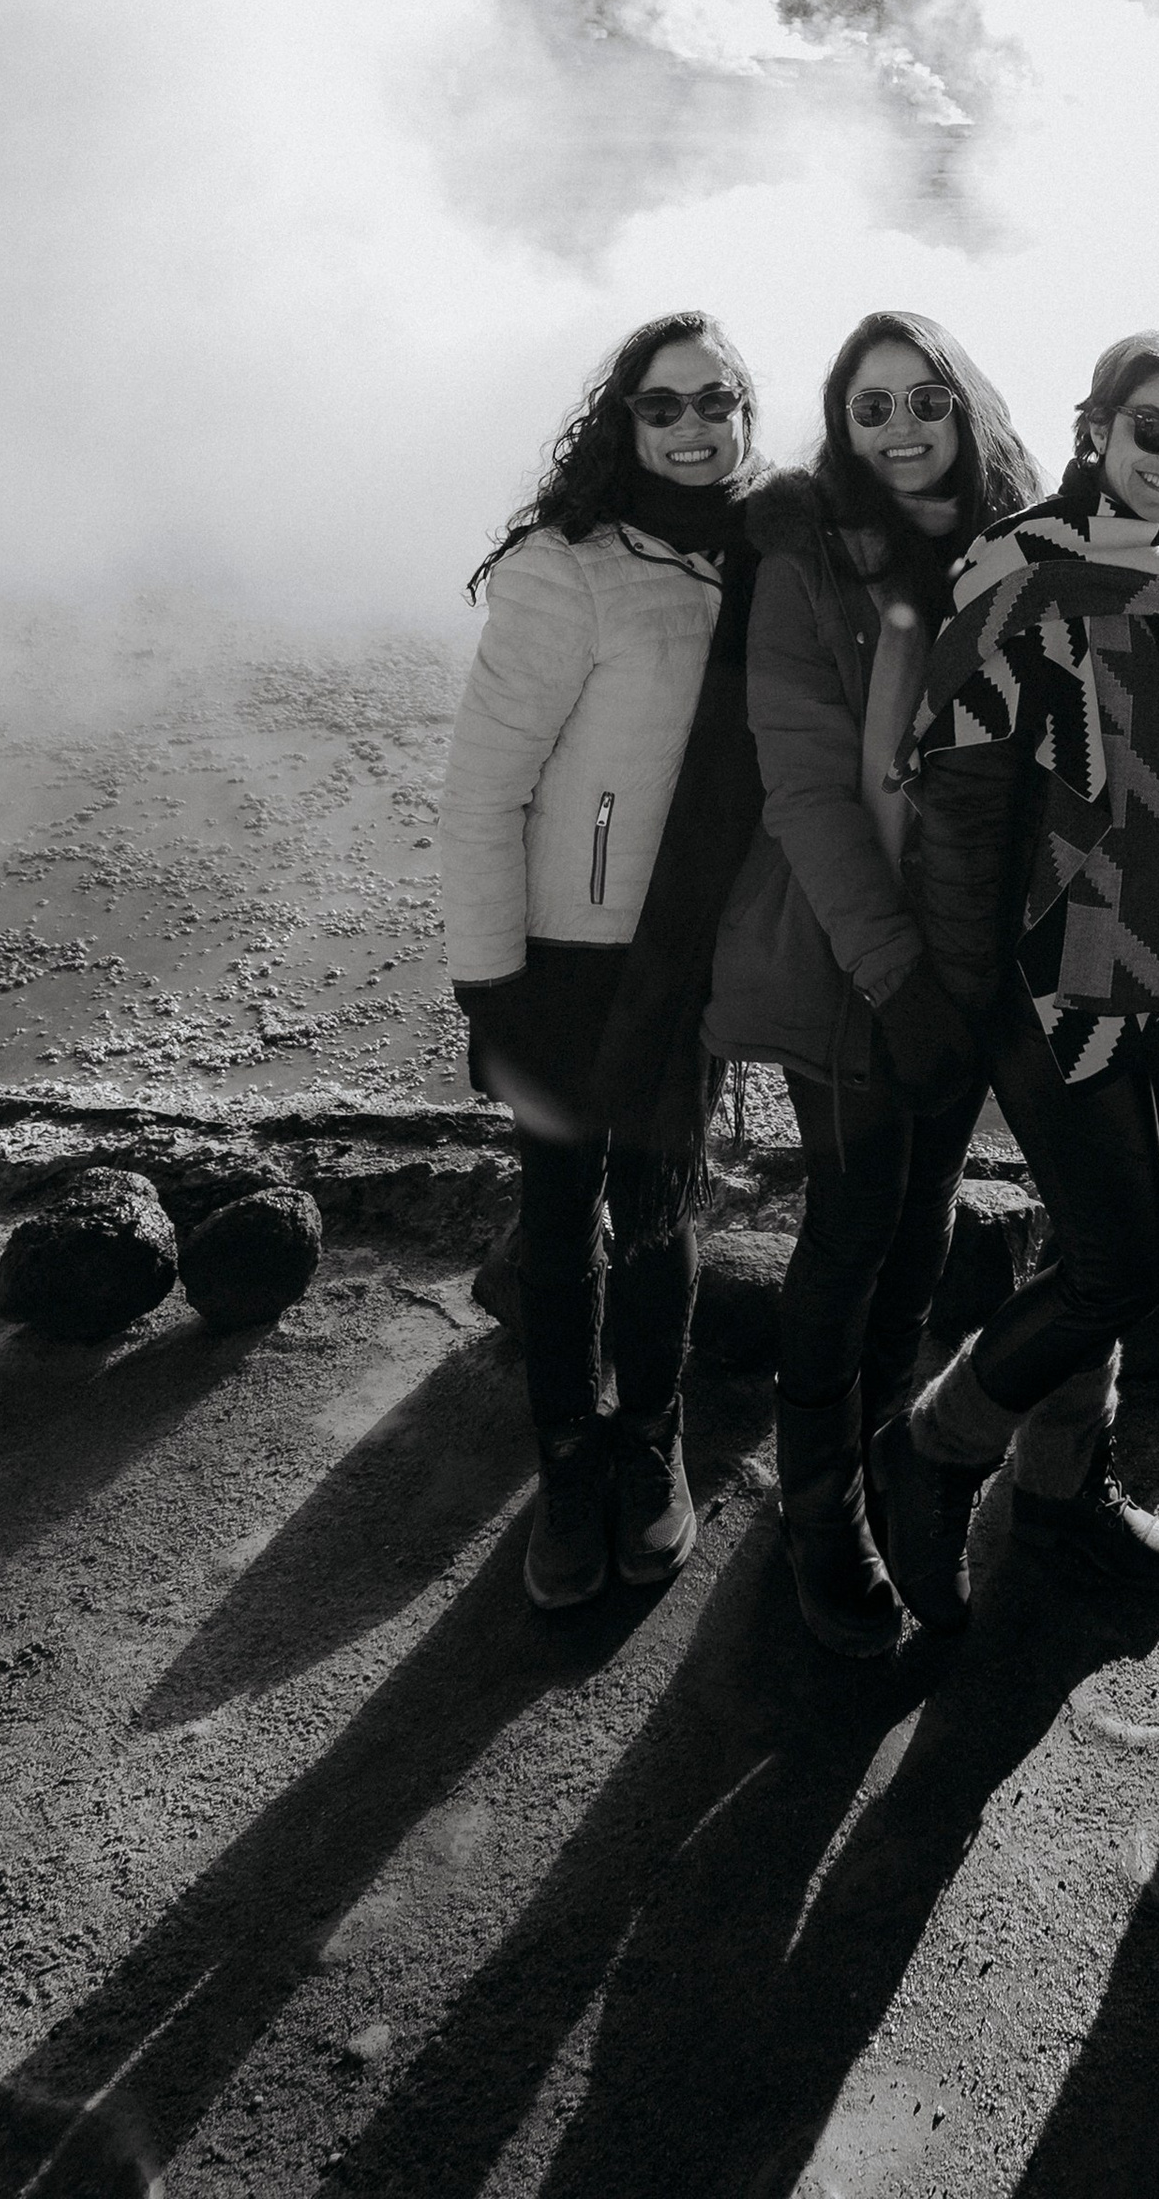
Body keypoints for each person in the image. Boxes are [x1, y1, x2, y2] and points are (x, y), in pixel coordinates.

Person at [870, 331, 1159, 1628]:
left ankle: (1061, 1487)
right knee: (1120, 1269)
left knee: (1091, 1246)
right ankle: (933, 1452)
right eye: (1153, 430)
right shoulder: (1020, 573)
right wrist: (972, 1000)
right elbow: (962, 810)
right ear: (1096, 427)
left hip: (1155, 965)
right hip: (1048, 984)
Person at [703, 309, 1043, 1653]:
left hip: (975, 954)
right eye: (872, 408)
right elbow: (802, 786)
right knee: (852, 1224)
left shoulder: (1017, 552)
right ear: (842, 427)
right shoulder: (805, 560)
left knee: (922, 1220)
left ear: (967, 407)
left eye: (925, 402)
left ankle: (887, 1444)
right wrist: (896, 979)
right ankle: (818, 1510)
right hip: (846, 947)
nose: (902, 430)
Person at [441, 311, 769, 1611]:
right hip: (567, 959)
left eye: (715, 401)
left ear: (745, 411)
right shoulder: (564, 566)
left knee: (660, 1210)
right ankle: (567, 1461)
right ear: (623, 421)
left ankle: (650, 1440)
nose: (693, 427)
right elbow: (482, 792)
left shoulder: (763, 556)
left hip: (686, 953)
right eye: (663, 405)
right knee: (562, 1214)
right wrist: (490, 983)